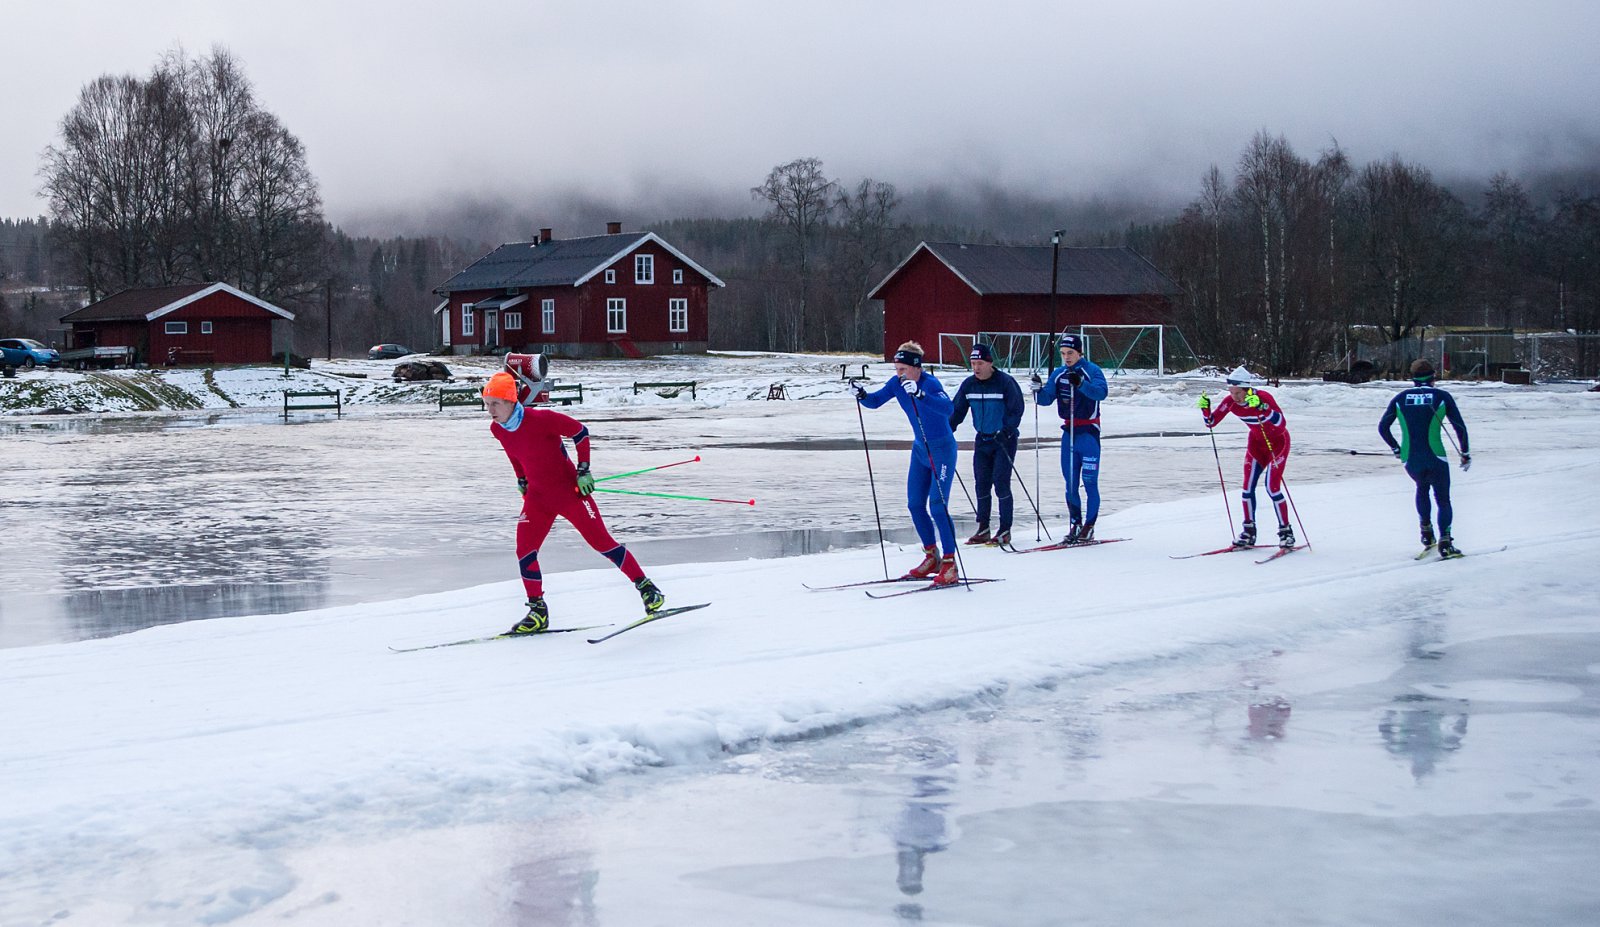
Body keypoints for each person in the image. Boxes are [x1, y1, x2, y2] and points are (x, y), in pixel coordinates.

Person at [481, 371, 664, 633]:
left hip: (570, 493)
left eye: (495, 403)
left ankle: (647, 589)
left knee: (602, 543)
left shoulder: (541, 419)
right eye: (487, 404)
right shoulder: (498, 429)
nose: (490, 411)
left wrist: (584, 471)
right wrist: (521, 478)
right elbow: (514, 454)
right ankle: (537, 612)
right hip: (538, 499)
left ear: (511, 401)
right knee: (525, 551)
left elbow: (580, 432)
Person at [855, 341, 960, 585]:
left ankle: (949, 562)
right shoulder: (897, 384)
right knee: (914, 504)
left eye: (902, 369)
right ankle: (931, 555)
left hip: (942, 450)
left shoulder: (930, 383)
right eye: (896, 369)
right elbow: (875, 401)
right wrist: (861, 394)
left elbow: (948, 408)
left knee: (937, 506)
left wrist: (921, 394)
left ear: (916, 368)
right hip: (921, 450)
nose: (898, 374)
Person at [1379, 358, 1471, 558]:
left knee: (1421, 489)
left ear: (1412, 378)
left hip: (1410, 457)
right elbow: (1459, 427)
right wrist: (1465, 453)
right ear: (1433, 377)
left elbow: (1382, 428)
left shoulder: (1400, 398)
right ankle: (1445, 541)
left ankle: (1427, 535)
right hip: (1435, 456)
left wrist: (1396, 448)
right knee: (1443, 498)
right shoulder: (1442, 396)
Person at [1197, 365, 1294, 549]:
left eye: (1238, 393)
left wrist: (1262, 408)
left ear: (1247, 389)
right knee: (1247, 489)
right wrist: (1205, 409)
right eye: (1231, 392)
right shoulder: (1231, 402)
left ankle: (1286, 532)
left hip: (1277, 445)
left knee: (1272, 489)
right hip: (1256, 445)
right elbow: (1211, 423)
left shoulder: (1263, 398)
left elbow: (1281, 424)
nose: (1235, 397)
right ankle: (1249, 531)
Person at [1030, 333, 1108, 543]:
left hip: (1089, 434)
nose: (1067, 357)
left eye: (1070, 353)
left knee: (1090, 482)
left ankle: (1089, 526)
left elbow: (1101, 393)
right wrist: (1037, 390)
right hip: (1069, 434)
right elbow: (1046, 399)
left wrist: (1081, 384)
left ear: (1080, 352)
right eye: (1063, 353)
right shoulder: (1059, 373)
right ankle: (1076, 523)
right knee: (1070, 484)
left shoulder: (1092, 370)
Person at [949, 342, 1025, 546]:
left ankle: (1005, 529)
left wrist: (1007, 430)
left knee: (1000, 482)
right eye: (973, 363)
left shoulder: (1005, 382)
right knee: (981, 483)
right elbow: (956, 411)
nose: (976, 368)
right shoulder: (969, 385)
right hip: (982, 440)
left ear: (990, 363)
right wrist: (947, 429)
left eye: (980, 363)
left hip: (1003, 440)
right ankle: (983, 527)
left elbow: (1016, 409)